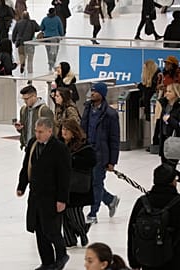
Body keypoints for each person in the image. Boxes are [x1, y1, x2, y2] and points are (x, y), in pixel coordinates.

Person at [17, 117, 71, 270]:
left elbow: (64, 176)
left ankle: (61, 256)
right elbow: (26, 166)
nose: (37, 134)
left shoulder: (60, 148)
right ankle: (47, 262)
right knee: (39, 231)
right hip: (35, 197)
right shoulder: (33, 144)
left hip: (51, 197)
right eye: (36, 131)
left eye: (41, 132)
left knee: (52, 230)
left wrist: (62, 199)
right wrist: (21, 186)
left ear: (50, 131)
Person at [127, 164, 180, 270]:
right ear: (172, 182)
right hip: (174, 261)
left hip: (147, 259)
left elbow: (132, 232)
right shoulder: (178, 204)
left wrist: (134, 261)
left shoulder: (142, 202)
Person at [81, 82, 120, 224]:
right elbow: (82, 129)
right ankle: (110, 199)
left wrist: (112, 161)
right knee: (89, 183)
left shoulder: (110, 114)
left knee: (97, 183)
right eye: (91, 91)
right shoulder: (87, 108)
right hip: (87, 152)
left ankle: (93, 213)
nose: (92, 93)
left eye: (95, 91)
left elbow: (114, 139)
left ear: (102, 94)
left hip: (101, 154)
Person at [60, 119, 96, 248]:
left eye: (66, 130)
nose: (63, 132)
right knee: (64, 213)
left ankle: (82, 231)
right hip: (63, 185)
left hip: (77, 185)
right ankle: (69, 239)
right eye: (63, 129)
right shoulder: (59, 144)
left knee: (73, 212)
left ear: (73, 132)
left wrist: (72, 159)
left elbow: (92, 161)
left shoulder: (83, 146)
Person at [14, 85, 54, 150]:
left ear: (34, 96)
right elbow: (23, 130)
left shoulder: (44, 110)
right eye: (23, 99)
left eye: (27, 99)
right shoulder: (23, 110)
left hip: (41, 147)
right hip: (28, 146)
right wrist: (19, 128)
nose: (25, 101)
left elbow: (52, 130)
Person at [158, 83, 180, 166]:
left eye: (170, 91)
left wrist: (170, 119)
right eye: (166, 91)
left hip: (174, 141)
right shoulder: (165, 105)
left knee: (170, 167)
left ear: (176, 93)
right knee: (164, 165)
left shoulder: (178, 107)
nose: (167, 93)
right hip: (164, 139)